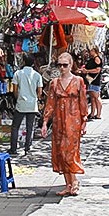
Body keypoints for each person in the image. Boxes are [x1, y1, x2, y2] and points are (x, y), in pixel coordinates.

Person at [41, 51, 89, 196]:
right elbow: (50, 103)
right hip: (59, 121)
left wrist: (84, 120)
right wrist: (45, 122)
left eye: (65, 65)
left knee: (70, 151)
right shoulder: (54, 83)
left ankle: (74, 181)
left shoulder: (78, 81)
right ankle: (68, 184)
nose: (62, 68)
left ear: (71, 65)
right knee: (60, 152)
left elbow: (83, 101)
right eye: (59, 65)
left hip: (73, 120)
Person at [10, 55, 44, 156]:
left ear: (24, 62)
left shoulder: (18, 74)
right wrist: (35, 98)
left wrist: (18, 97)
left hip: (21, 103)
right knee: (30, 126)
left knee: (15, 126)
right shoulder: (37, 75)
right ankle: (27, 147)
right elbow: (40, 91)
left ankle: (13, 148)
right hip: (32, 104)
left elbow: (15, 90)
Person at [79, 50, 103, 120]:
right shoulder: (92, 59)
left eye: (91, 51)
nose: (89, 52)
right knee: (92, 97)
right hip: (90, 80)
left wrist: (87, 71)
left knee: (96, 96)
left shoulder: (97, 59)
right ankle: (92, 113)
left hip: (94, 80)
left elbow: (97, 70)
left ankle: (98, 114)